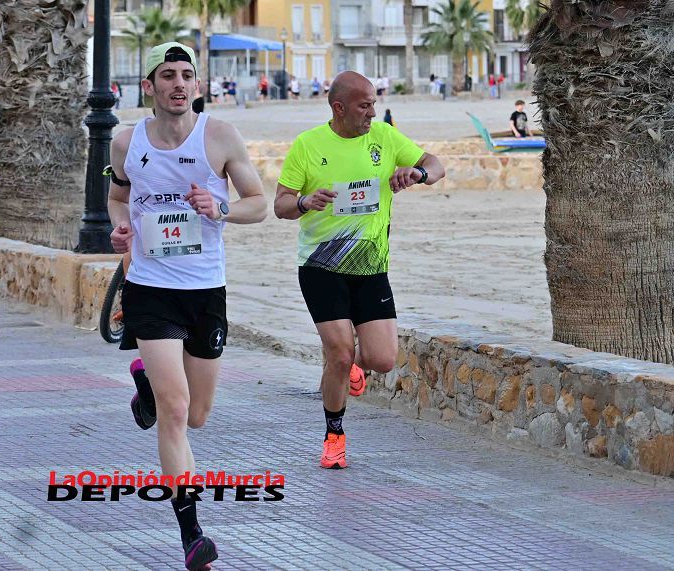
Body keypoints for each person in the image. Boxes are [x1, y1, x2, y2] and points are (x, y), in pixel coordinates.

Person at [107, 41, 266, 571]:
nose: (179, 84)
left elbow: (259, 204)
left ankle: (147, 383)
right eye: (168, 75)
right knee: (174, 415)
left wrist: (221, 207)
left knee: (197, 416)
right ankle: (192, 533)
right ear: (148, 85)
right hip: (150, 288)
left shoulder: (218, 136)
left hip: (205, 289)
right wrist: (119, 228)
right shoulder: (125, 142)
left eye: (187, 75)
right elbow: (117, 196)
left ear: (197, 85)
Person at [273, 71, 445, 470]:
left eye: (373, 102)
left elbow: (436, 165)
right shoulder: (308, 145)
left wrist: (417, 174)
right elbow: (280, 204)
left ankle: (348, 363)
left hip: (370, 267)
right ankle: (334, 436)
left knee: (382, 360)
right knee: (338, 352)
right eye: (364, 105)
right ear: (339, 107)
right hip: (321, 265)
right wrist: (304, 203)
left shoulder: (384, 137)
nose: (372, 111)